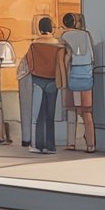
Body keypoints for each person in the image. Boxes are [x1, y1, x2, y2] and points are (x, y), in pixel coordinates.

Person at [25, 16, 69, 155]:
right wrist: (63, 83)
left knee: (38, 114)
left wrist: (35, 72)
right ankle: (51, 146)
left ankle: (38, 145)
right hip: (52, 81)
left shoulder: (34, 45)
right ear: (51, 28)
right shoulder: (58, 45)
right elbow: (61, 64)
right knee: (50, 114)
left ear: (39, 28)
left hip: (37, 80)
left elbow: (29, 63)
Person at [59, 13, 96, 153]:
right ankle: (91, 144)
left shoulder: (63, 37)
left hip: (71, 78)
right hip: (86, 78)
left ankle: (71, 143)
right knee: (87, 112)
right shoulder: (86, 35)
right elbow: (92, 57)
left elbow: (62, 59)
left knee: (71, 111)